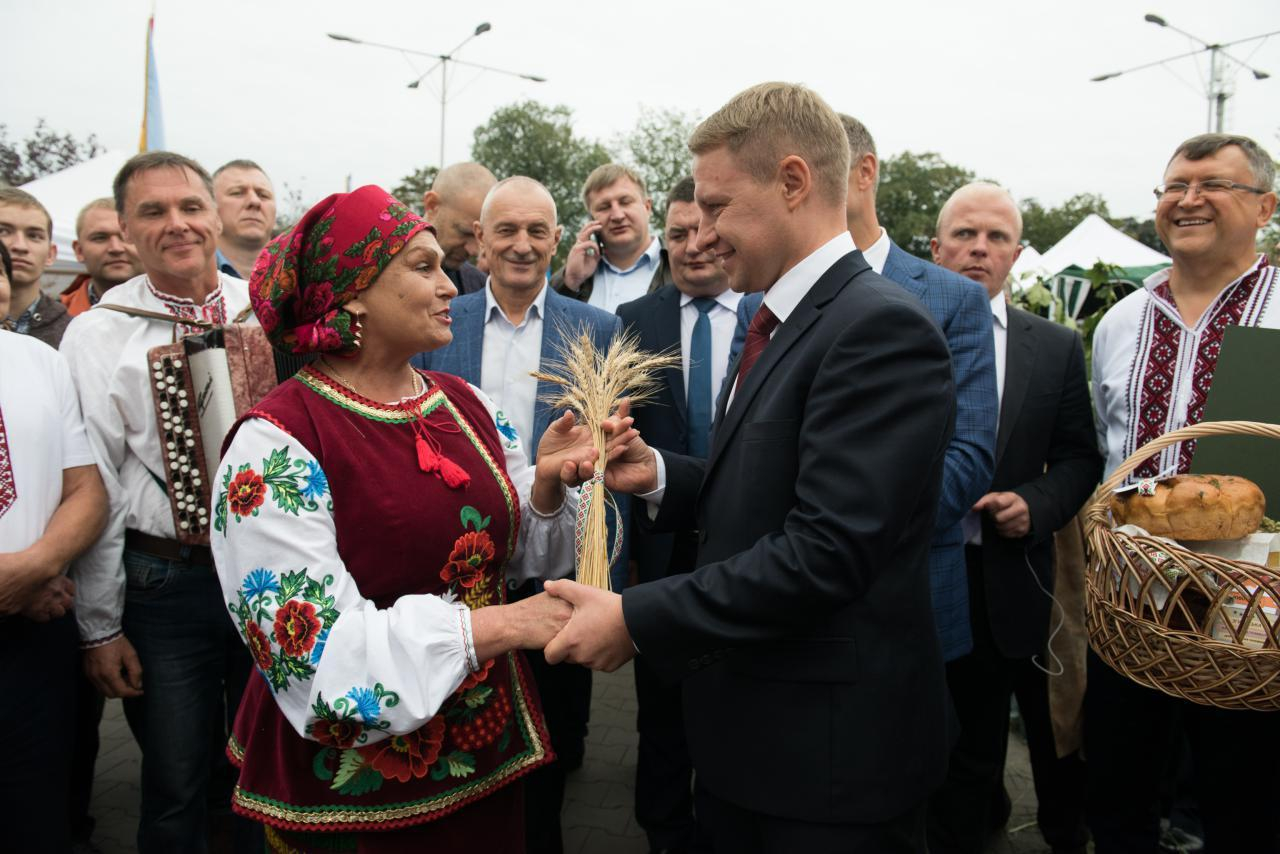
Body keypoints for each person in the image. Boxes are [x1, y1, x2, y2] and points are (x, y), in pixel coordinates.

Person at [543, 81, 957, 853]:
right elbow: (771, 492)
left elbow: (826, 552)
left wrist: (636, 618)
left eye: (717, 207)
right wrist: (659, 472)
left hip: (828, 769)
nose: (700, 235)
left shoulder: (878, 330)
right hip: (759, 744)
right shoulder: (782, 317)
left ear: (793, 182)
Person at [212, 183, 625, 851]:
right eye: (422, 266)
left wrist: (546, 487)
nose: (450, 284)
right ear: (351, 293)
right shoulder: (274, 445)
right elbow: (317, 660)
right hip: (354, 792)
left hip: (484, 752)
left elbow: (512, 553)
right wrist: (507, 623)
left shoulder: (466, 404)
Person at [734, 112, 996, 662]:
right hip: (784, 587)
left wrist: (849, 532)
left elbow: (969, 456)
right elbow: (744, 441)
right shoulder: (761, 302)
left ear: (864, 171)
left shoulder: (954, 298)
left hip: (908, 596)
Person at [413, 176, 623, 854]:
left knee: (545, 758)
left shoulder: (596, 329)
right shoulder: (438, 319)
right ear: (480, 237)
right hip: (451, 580)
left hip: (551, 577)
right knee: (453, 755)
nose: (522, 245)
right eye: (506, 230)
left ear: (557, 239)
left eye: (537, 231)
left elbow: (604, 457)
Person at [1087, 133, 1280, 853]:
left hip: (1252, 615)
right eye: (1174, 186)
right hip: (1130, 601)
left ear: (1265, 207)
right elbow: (1106, 446)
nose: (1187, 200)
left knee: (1244, 803)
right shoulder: (1121, 321)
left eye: (1213, 185)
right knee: (1120, 791)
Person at [59, 151, 257, 852]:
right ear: (125, 228)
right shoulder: (98, 331)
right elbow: (97, 487)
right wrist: (100, 627)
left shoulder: (263, 309)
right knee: (175, 780)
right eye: (153, 211)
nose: (177, 223)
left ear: (215, 217)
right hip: (164, 581)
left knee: (268, 772)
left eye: (190, 206)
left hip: (266, 574)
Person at [925, 182, 1101, 854]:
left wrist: (1036, 503)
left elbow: (1080, 457)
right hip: (927, 575)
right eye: (965, 234)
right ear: (936, 250)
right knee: (952, 752)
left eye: (996, 237)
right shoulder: (897, 333)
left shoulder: (1052, 346)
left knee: (1034, 745)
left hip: (1016, 577)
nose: (980, 248)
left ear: (1018, 255)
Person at [615, 175, 740, 854]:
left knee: (734, 704)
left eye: (704, 231)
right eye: (677, 234)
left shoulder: (769, 315)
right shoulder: (636, 319)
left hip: (745, 545)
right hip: (660, 547)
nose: (692, 247)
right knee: (661, 710)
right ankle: (664, 832)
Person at [0, 238, 111, 853]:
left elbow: (86, 490)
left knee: (37, 813)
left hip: (34, 629)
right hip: (29, 599)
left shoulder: (39, 361)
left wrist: (36, 568)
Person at [552, 164, 674, 311]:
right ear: (591, 219)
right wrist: (570, 281)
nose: (617, 216)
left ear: (647, 207)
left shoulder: (678, 264)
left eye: (625, 202)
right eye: (604, 207)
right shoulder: (577, 276)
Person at [0, 186, 70, 347]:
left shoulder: (74, 333)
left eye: (34, 236)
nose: (20, 246)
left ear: (51, 254)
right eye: (3, 231)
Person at [423, 161, 497, 294]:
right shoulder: (385, 272)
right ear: (432, 205)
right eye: (465, 232)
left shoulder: (480, 287)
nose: (474, 250)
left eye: (481, 236)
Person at [61, 197, 143, 315]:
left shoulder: (172, 312)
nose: (116, 248)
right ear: (79, 251)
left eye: (127, 236)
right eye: (100, 238)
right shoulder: (55, 319)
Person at [212, 159, 277, 278]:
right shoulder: (184, 278)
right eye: (237, 193)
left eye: (263, 195)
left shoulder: (304, 278)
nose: (254, 201)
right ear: (211, 208)